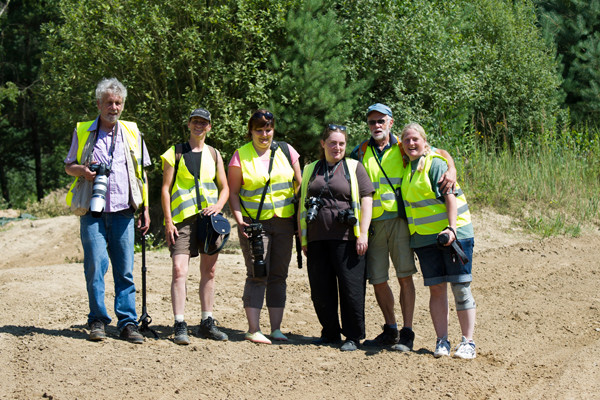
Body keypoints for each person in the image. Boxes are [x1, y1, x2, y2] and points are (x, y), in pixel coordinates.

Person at [350, 103, 456, 351]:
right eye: (371, 122)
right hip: (373, 223)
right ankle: (391, 329)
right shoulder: (361, 150)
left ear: (390, 122)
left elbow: (439, 152)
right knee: (377, 279)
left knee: (404, 276)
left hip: (400, 221)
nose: (376, 126)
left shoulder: (403, 146)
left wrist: (451, 168)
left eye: (381, 121)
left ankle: (407, 332)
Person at [64, 78, 150, 344]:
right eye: (109, 102)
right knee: (95, 267)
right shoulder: (83, 131)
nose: (114, 107)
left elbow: (142, 173)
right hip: (92, 211)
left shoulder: (133, 132)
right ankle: (98, 320)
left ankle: (127, 323)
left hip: (124, 210)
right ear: (99, 104)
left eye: (118, 102)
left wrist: (145, 208)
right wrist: (83, 171)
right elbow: (69, 165)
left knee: (124, 270)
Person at [399, 122, 476, 359]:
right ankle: (442, 341)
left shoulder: (435, 163)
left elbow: (449, 198)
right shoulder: (408, 167)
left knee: (460, 288)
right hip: (425, 239)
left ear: (424, 141)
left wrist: (451, 229)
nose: (412, 143)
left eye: (416, 139)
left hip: (453, 235)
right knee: (436, 290)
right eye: (407, 140)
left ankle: (468, 343)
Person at [227, 109, 302, 344]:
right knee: (258, 274)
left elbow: (300, 185)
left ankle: (276, 329)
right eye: (259, 129)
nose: (264, 134)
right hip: (254, 224)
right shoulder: (240, 156)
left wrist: (298, 219)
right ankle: (253, 329)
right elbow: (234, 193)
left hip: (284, 222)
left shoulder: (287, 151)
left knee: (279, 275)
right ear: (251, 131)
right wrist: (240, 221)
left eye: (268, 129)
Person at [298, 124, 374, 352]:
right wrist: (303, 238)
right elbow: (302, 202)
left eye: (341, 143)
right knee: (321, 289)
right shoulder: (311, 169)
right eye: (332, 143)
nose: (337, 147)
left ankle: (352, 336)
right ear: (323, 144)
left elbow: (367, 198)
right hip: (317, 237)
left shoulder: (354, 167)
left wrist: (363, 233)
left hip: (348, 237)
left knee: (351, 288)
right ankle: (329, 332)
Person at [160, 108, 230, 345]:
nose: (199, 126)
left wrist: (219, 207)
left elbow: (225, 187)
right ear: (189, 125)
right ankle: (180, 323)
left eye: (204, 123)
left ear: (209, 127)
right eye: (195, 122)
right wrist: (168, 221)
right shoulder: (175, 153)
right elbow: (165, 189)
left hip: (209, 222)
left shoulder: (215, 154)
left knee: (209, 272)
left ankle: (206, 321)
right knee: (179, 270)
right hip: (182, 221)